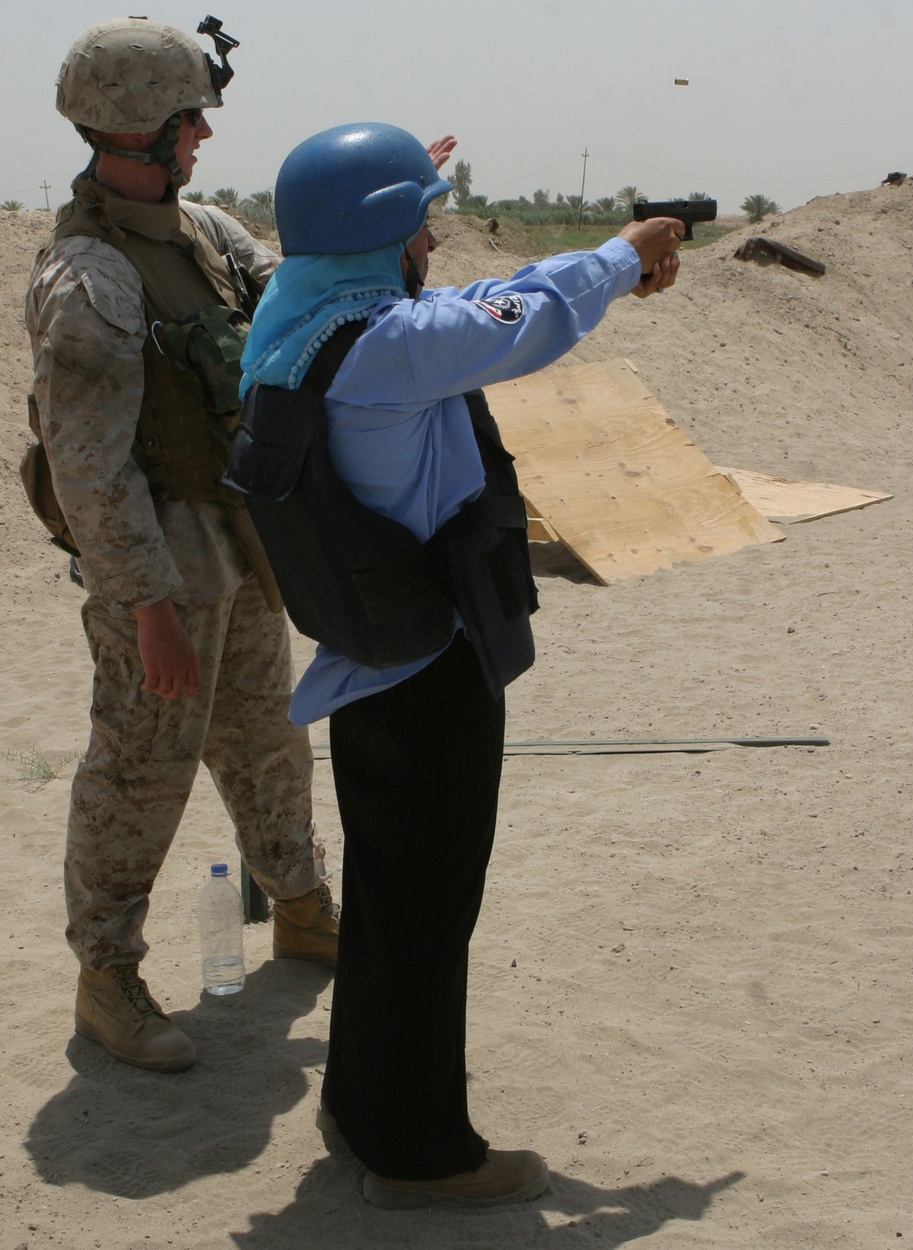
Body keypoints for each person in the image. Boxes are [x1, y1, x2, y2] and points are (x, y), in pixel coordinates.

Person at [229, 122, 684, 1207]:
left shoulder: (302, 320)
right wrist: (626, 252)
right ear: (382, 233)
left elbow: (461, 309)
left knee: (394, 899)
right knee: (428, 909)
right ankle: (418, 1153)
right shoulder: (385, 345)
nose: (431, 237)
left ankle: (363, 1107)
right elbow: (518, 319)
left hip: (370, 659)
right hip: (428, 669)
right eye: (417, 219)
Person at [23, 16, 342, 1074]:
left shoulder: (206, 234)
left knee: (266, 737)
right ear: (136, 129)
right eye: (186, 115)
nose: (203, 131)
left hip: (241, 551)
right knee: (138, 771)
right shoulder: (90, 278)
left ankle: (299, 903)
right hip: (159, 571)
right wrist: (146, 606)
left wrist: (374, 225)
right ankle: (106, 977)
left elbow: (301, 313)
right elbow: (88, 466)